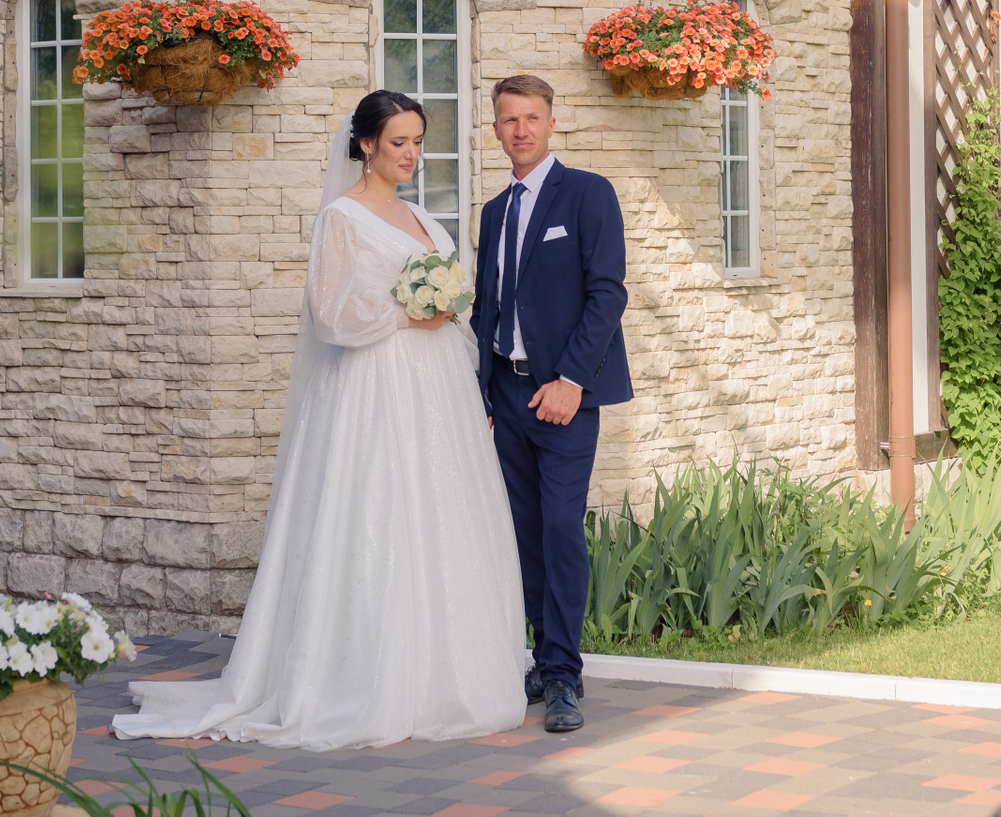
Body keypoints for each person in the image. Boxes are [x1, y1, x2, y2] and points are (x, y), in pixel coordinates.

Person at [112, 90, 525, 750]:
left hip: (436, 389)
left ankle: (446, 671)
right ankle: (362, 677)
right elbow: (330, 315)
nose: (411, 154)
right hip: (376, 387)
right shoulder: (342, 217)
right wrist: (406, 313)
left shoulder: (422, 216)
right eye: (398, 142)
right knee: (377, 512)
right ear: (366, 144)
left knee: (442, 515)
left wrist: (446, 310)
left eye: (418, 141)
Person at [471, 74, 632, 733]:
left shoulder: (588, 193)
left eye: (532, 117)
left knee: (561, 528)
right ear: (496, 129)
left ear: (551, 123)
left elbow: (608, 293)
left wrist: (570, 379)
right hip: (505, 394)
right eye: (509, 120)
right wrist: (478, 390)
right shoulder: (494, 212)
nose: (521, 130)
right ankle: (543, 659)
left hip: (561, 395)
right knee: (524, 533)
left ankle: (564, 674)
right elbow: (487, 308)